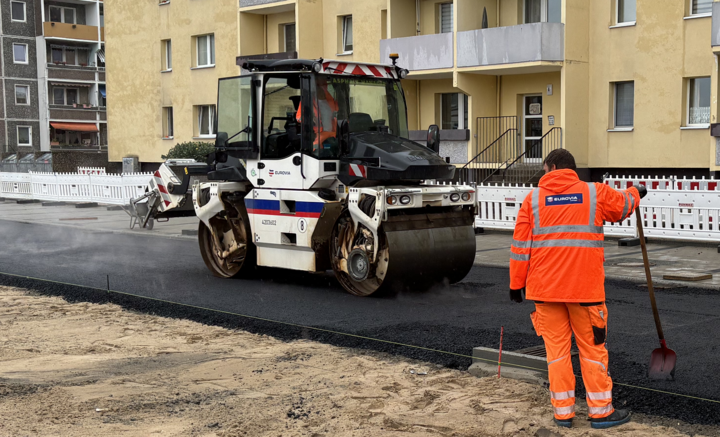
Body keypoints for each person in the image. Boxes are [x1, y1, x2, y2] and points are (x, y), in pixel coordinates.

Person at [509, 149, 647, 430]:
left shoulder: (533, 200)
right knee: (592, 351)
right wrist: (637, 191)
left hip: (545, 292)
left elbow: (521, 247)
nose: (544, 175)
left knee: (557, 353)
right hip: (585, 292)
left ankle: (563, 414)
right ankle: (600, 413)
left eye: (545, 169)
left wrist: (515, 284)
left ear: (553, 167)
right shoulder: (594, 193)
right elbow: (622, 206)